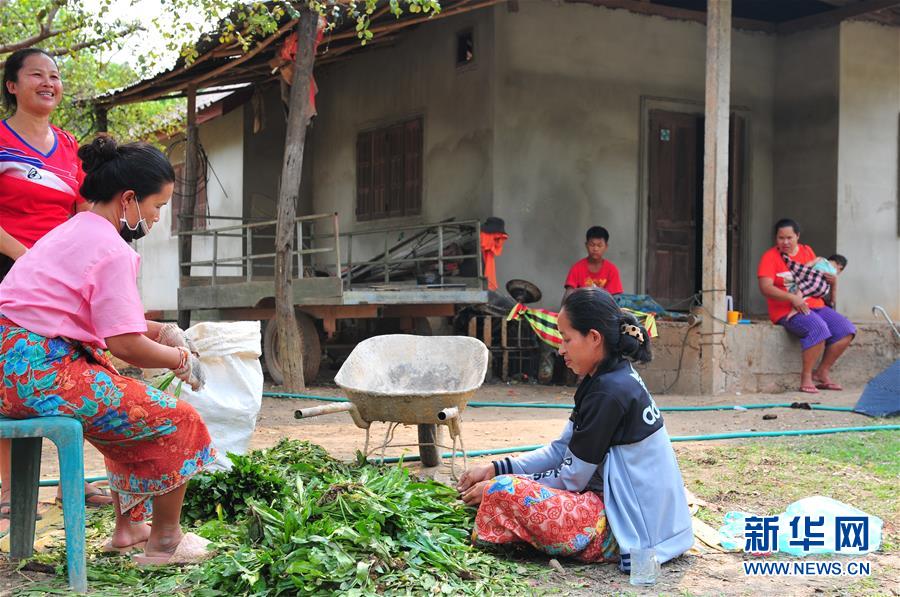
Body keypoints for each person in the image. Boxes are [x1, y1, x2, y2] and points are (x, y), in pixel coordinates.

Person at [0, 135, 215, 564]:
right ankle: (166, 540)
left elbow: (98, 319)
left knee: (123, 404)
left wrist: (162, 330)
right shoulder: (112, 249)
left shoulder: (71, 231)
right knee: (177, 420)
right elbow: (125, 344)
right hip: (39, 373)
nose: (155, 219)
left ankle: (128, 527)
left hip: (9, 367)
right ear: (129, 199)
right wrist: (181, 359)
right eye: (156, 207)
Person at [457, 288, 693, 571]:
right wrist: (497, 468)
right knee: (503, 484)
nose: (561, 349)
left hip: (626, 529)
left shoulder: (610, 392)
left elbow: (570, 480)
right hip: (628, 511)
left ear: (594, 338)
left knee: (504, 492)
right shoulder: (604, 379)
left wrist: (499, 484)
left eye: (567, 339)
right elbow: (561, 449)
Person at [1, 47, 111, 518]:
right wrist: (24, 257)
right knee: (9, 373)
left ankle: (75, 479)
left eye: (56, 76)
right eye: (36, 75)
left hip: (60, 279)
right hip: (9, 270)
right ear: (12, 85)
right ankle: (7, 489)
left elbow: (83, 210)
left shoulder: (68, 145)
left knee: (76, 367)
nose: (49, 82)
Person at [757, 219, 855, 394]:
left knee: (846, 330)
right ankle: (806, 377)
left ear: (797, 236)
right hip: (786, 310)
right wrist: (791, 298)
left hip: (815, 304)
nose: (785, 242)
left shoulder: (807, 251)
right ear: (776, 239)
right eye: (781, 238)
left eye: (789, 237)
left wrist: (832, 282)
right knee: (819, 328)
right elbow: (766, 288)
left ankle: (822, 372)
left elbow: (816, 278)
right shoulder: (770, 257)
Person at [563, 226, 623, 302]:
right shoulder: (577, 268)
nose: (595, 249)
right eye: (592, 245)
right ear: (586, 245)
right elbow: (569, 293)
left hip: (605, 309)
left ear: (606, 247)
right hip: (582, 308)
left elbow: (615, 297)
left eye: (599, 245)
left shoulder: (611, 269)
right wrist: (562, 311)